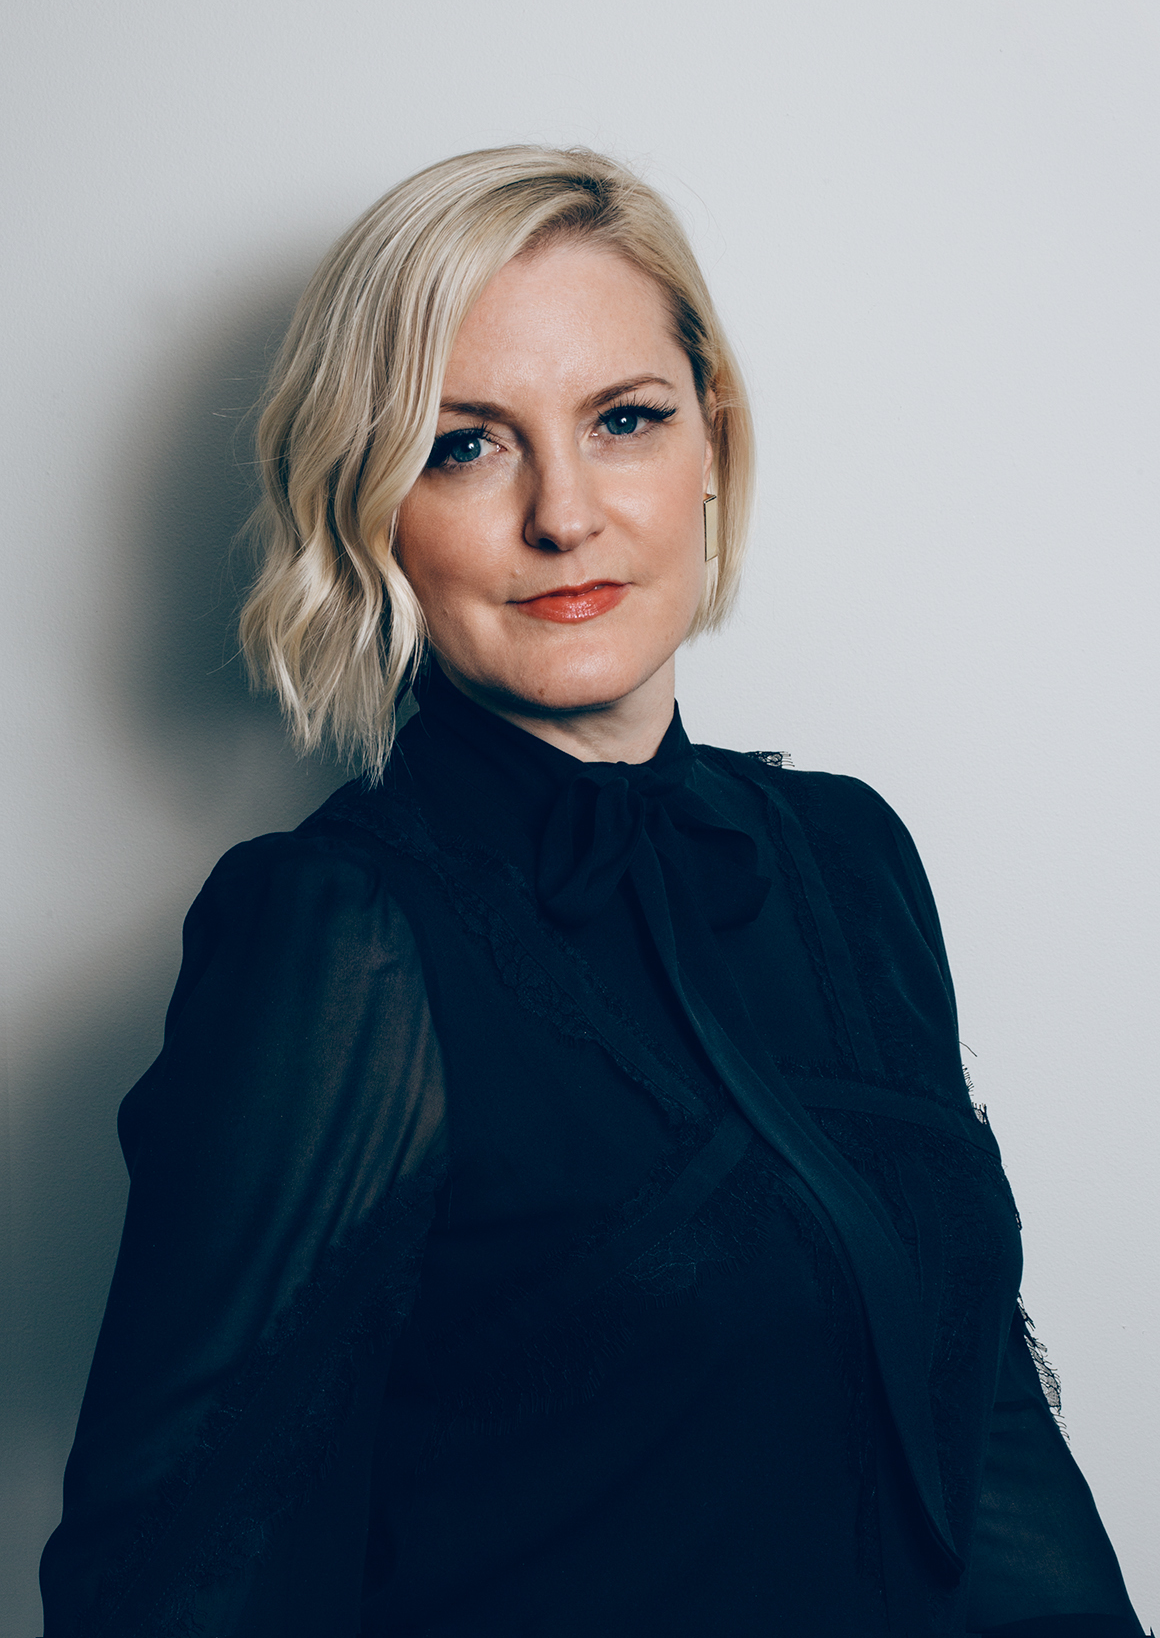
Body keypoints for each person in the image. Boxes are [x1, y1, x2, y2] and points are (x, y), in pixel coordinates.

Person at [39, 146, 1146, 1638]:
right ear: (367, 507)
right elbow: (172, 1576)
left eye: (624, 420)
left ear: (712, 442)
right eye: (463, 446)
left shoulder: (848, 857)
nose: (564, 513)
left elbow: (977, 1414)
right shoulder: (339, 940)